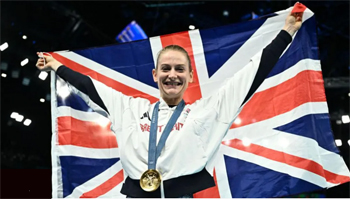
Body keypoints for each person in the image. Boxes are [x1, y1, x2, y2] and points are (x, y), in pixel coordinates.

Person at [36, 6, 303, 198]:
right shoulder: (130, 108)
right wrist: (55, 64)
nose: (172, 75)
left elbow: (251, 75)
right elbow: (88, 85)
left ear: (190, 76)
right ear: (155, 75)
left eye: (179, 69)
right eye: (165, 69)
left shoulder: (207, 111)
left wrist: (287, 31)